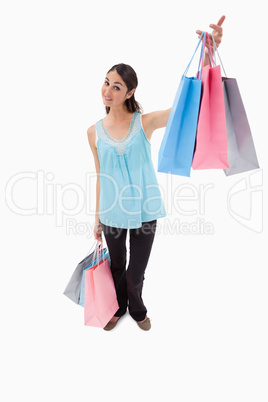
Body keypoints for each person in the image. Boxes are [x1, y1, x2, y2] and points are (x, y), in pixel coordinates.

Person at [87, 16, 225, 331]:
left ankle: (137, 308)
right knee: (118, 266)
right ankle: (119, 307)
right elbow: (100, 176)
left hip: (146, 209)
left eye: (117, 86)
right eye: (106, 82)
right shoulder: (92, 132)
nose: (108, 90)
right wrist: (97, 217)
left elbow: (190, 103)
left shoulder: (143, 122)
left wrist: (210, 52)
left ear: (130, 91)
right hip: (111, 212)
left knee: (136, 271)